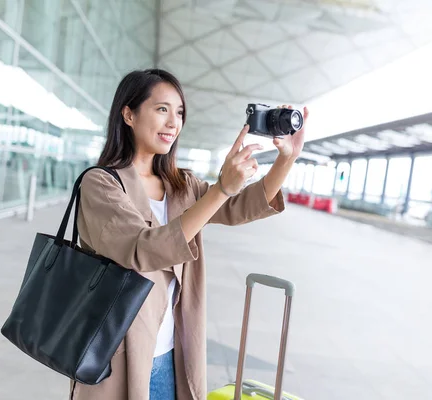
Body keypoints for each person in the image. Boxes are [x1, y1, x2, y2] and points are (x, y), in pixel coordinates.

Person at [71, 68, 309, 400]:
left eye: (179, 112)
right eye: (162, 109)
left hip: (172, 354)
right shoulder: (101, 184)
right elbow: (142, 250)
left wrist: (286, 159)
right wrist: (220, 190)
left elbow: (238, 207)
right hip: (119, 358)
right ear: (128, 114)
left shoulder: (181, 184)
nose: (173, 123)